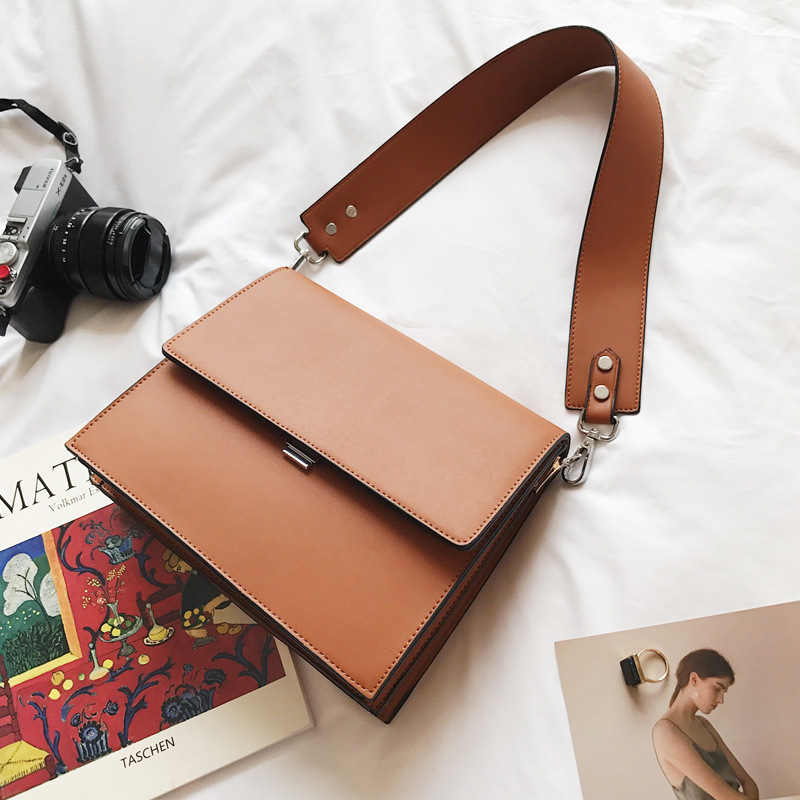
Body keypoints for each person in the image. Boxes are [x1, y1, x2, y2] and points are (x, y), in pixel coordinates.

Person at [652, 649, 758, 800]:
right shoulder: (665, 732)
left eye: (724, 692)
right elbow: (726, 797)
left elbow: (748, 783)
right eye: (717, 689)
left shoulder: (704, 724)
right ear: (694, 679)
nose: (721, 700)